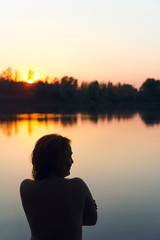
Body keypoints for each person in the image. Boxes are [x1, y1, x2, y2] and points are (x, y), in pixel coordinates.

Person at [20, 134, 97, 240]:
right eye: (69, 156)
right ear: (56, 161)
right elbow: (92, 220)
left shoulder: (26, 187)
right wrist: (78, 211)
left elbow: (45, 221)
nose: (72, 161)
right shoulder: (78, 186)